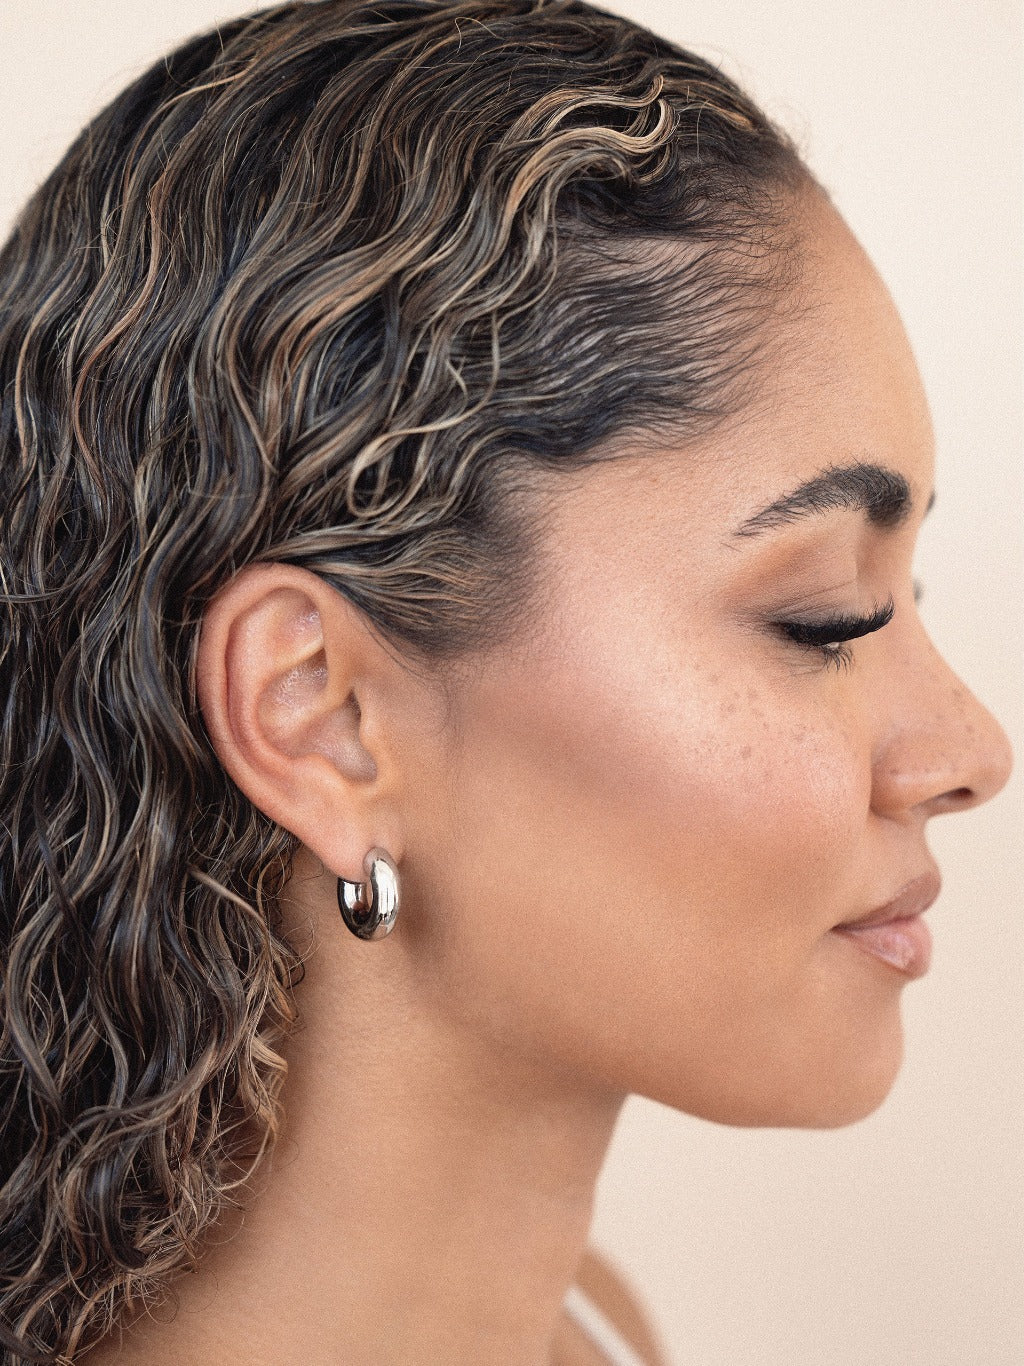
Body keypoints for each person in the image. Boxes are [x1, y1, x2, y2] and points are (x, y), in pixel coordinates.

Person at [0, 0, 1013, 1362]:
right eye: (825, 618)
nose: (970, 749)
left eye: (910, 599)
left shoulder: (591, 1324)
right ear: (325, 716)